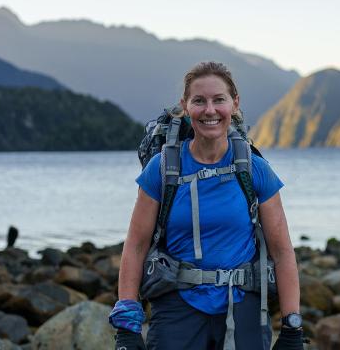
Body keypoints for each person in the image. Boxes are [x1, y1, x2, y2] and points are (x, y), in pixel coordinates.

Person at [110, 61, 303, 349]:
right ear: (185, 106)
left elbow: (283, 252)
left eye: (219, 100)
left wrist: (292, 328)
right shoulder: (162, 169)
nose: (210, 110)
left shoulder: (254, 169)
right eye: (199, 101)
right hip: (176, 307)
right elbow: (136, 246)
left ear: (234, 104)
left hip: (243, 307)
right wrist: (127, 324)